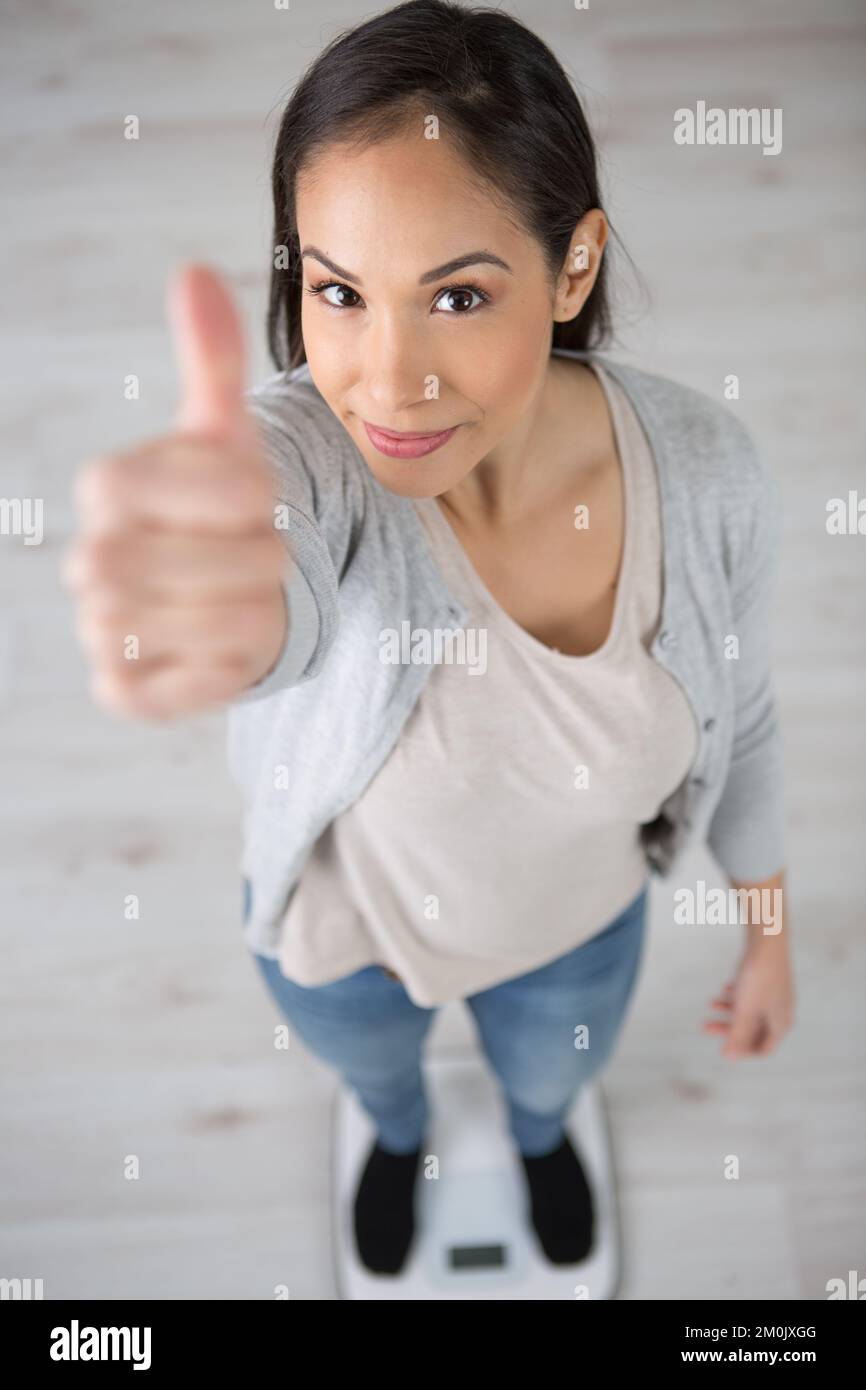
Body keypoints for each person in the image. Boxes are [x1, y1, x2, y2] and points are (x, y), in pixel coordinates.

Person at [62, 0, 795, 1279]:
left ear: (572, 267)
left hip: (575, 938)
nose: (386, 380)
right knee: (379, 1083)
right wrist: (223, 607)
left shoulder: (706, 469)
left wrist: (768, 929)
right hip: (344, 950)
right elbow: (277, 573)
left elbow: (749, 716)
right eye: (339, 291)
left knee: (545, 1085)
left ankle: (538, 1136)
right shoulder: (308, 457)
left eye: (457, 295)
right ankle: (396, 1137)